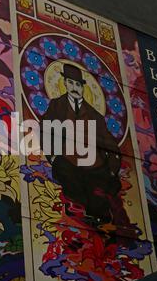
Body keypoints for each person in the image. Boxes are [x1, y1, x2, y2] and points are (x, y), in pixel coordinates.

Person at [41, 63, 137, 242]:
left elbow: (111, 144)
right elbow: (45, 129)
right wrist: (53, 157)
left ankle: (105, 232)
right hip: (68, 162)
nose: (75, 88)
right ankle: (80, 230)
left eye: (78, 85)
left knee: (99, 199)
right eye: (71, 83)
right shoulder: (57, 105)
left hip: (94, 165)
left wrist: (111, 169)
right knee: (73, 190)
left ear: (83, 87)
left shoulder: (94, 115)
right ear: (65, 84)